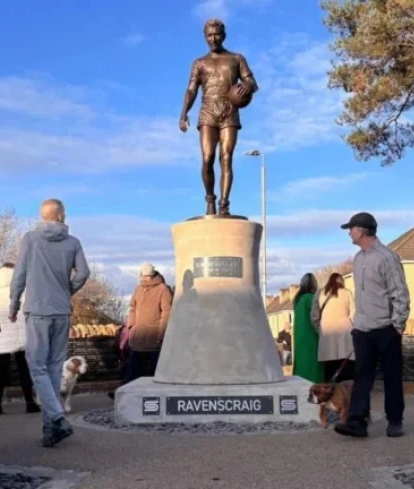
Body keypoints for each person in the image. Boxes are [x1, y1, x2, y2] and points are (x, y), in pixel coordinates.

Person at [9, 199, 90, 448]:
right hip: (61, 311)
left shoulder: (30, 239)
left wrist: (13, 305)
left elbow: (19, 274)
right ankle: (50, 430)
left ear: (42, 216)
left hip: (38, 311)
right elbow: (84, 273)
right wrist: (66, 291)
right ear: (62, 216)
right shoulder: (73, 242)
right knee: (54, 370)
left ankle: (57, 418)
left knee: (37, 367)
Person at [335, 212, 411, 439]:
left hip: (386, 328)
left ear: (361, 230)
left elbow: (400, 293)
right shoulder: (358, 259)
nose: (349, 232)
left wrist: (398, 324)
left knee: (391, 376)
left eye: (351, 228)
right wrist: (357, 326)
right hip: (363, 329)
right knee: (362, 377)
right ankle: (357, 422)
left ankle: (395, 421)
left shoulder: (387, 257)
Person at [179, 18, 258, 216]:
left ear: (224, 36)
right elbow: (191, 89)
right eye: (209, 35)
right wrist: (183, 113)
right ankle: (210, 199)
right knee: (207, 158)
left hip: (229, 110)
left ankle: (224, 204)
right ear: (205, 37)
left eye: (217, 34)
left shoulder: (236, 58)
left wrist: (246, 86)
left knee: (226, 158)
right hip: (208, 111)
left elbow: (252, 82)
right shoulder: (199, 62)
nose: (213, 39)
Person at [0, 263, 39, 416]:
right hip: (22, 336)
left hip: (0, 337)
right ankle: (30, 403)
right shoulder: (22, 290)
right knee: (25, 370)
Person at [121, 262, 173, 385]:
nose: (144, 278)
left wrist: (162, 334)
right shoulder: (138, 289)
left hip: (154, 336)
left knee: (154, 370)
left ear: (153, 274)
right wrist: (132, 327)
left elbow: (167, 312)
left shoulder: (163, 289)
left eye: (147, 276)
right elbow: (132, 307)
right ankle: (124, 389)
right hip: (138, 335)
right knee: (132, 368)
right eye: (143, 276)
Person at [311, 273, 357, 382]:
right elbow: (354, 314)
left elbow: (314, 316)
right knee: (346, 369)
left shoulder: (320, 293)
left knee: (329, 371)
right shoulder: (347, 293)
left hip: (326, 334)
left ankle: (330, 396)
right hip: (345, 334)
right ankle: (345, 396)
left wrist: (320, 329)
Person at [292, 273, 322, 383]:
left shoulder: (298, 300)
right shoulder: (311, 298)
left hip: (300, 337)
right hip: (311, 336)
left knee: (302, 363)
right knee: (312, 364)